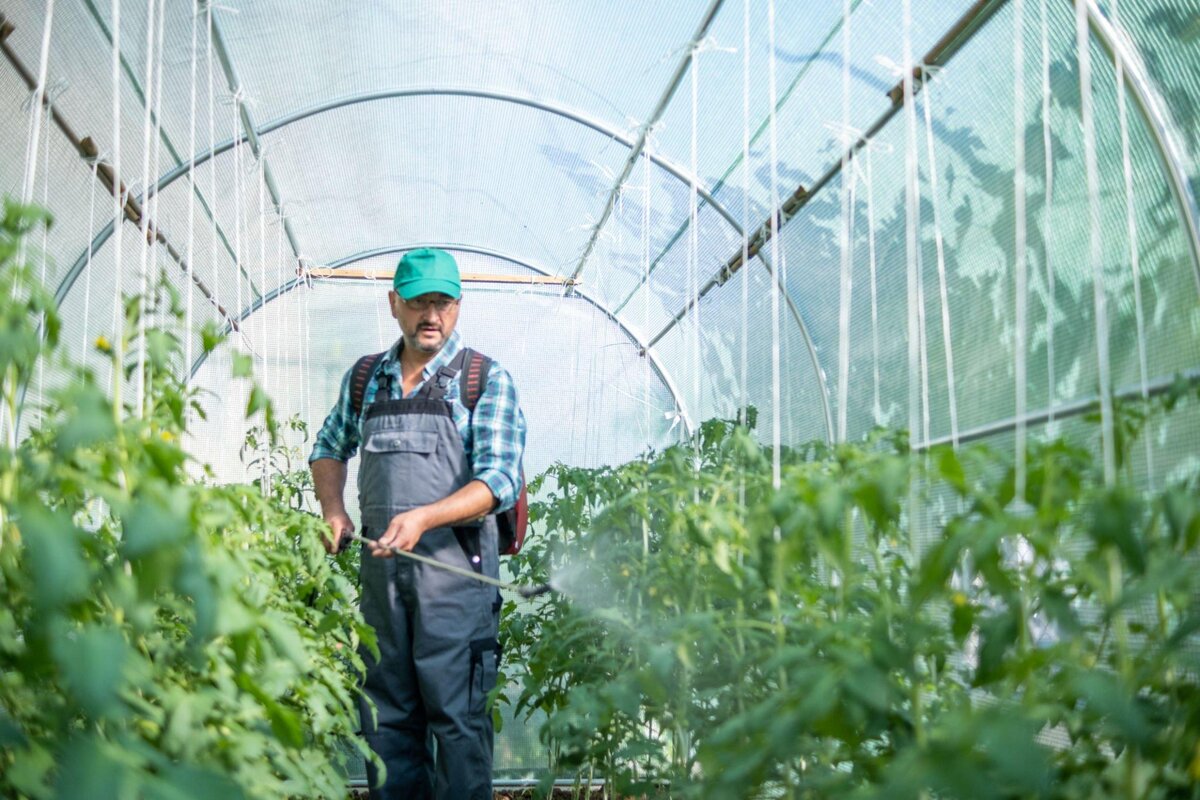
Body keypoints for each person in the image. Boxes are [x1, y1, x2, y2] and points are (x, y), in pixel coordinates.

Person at [309, 248, 526, 800]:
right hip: (382, 587)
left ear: (458, 307)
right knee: (388, 721)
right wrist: (334, 511)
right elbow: (329, 447)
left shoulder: (481, 379)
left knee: (457, 723)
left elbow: (499, 481)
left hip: (456, 585)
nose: (432, 315)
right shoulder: (367, 379)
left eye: (443, 302)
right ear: (394, 305)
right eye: (419, 302)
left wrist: (424, 517)